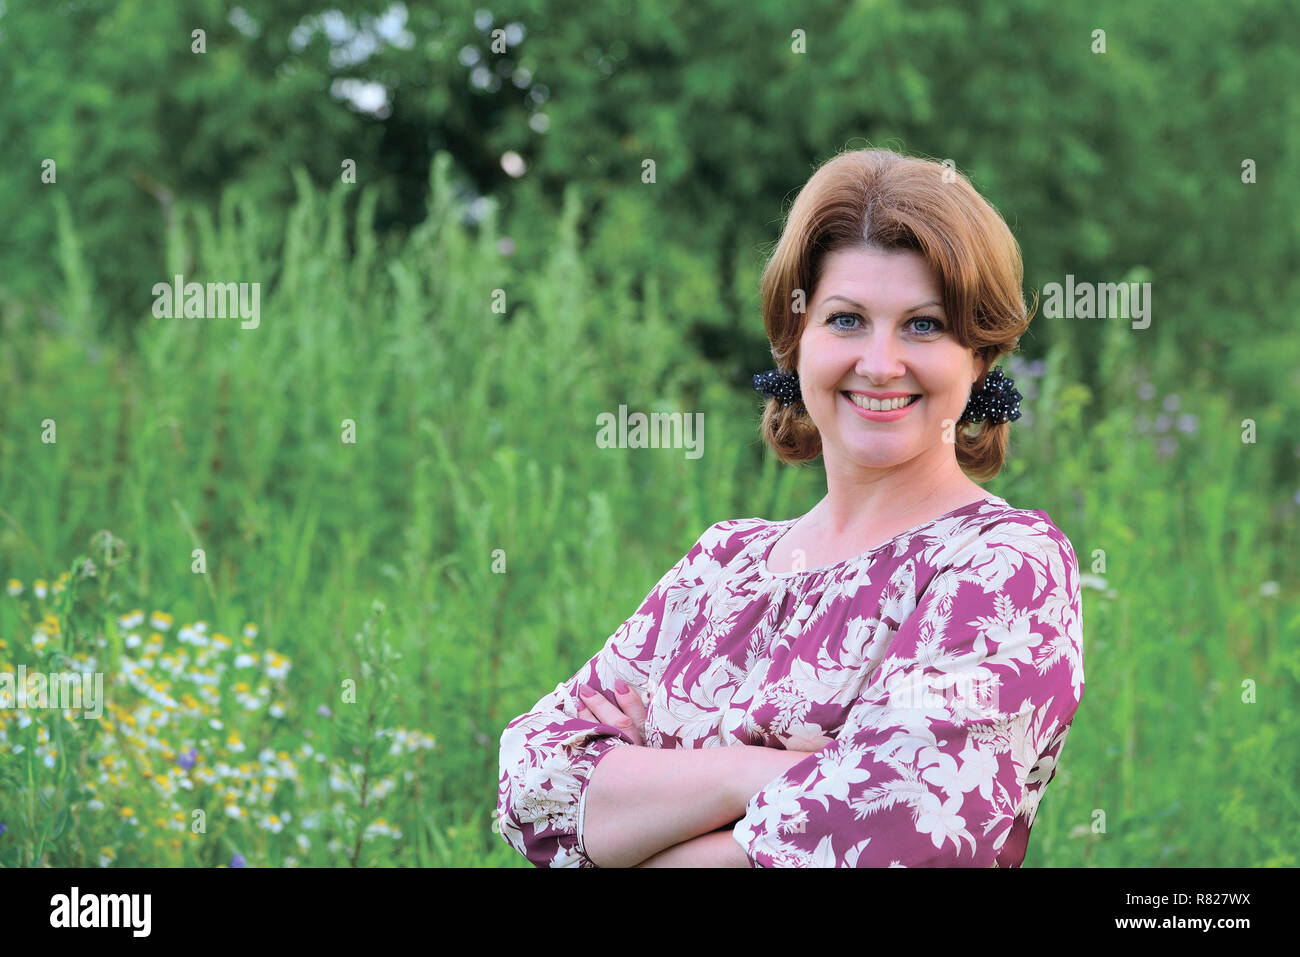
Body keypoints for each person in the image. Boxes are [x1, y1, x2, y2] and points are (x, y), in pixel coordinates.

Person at [496, 147, 1084, 867]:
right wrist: (754, 775)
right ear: (794, 341)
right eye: (846, 320)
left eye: (923, 325)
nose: (880, 361)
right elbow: (532, 786)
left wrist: (641, 805)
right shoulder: (720, 565)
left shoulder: (1002, 565)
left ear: (980, 356)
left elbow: (897, 830)